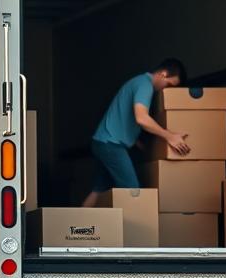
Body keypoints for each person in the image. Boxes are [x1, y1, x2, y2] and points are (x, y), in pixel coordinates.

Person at [82, 58, 191, 208]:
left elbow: (127, 119)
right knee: (132, 191)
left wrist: (139, 143)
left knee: (98, 191)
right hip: (110, 144)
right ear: (163, 74)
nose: (166, 89)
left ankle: (75, 229)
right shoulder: (145, 85)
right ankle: (133, 231)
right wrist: (170, 136)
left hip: (103, 142)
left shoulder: (138, 82)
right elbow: (141, 118)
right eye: (169, 84)